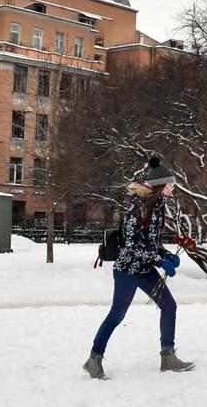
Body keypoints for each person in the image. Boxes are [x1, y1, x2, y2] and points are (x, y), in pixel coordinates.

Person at [83, 156, 193, 378]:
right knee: (117, 315)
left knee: (169, 307)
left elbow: (151, 243)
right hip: (127, 270)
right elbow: (132, 247)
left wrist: (166, 254)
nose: (173, 188)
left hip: (144, 269)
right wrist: (159, 261)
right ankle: (94, 359)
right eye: (169, 185)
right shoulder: (137, 210)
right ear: (159, 187)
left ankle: (168, 357)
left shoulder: (158, 209)